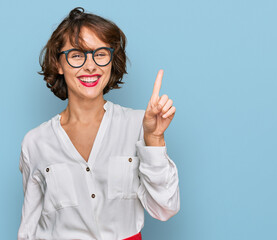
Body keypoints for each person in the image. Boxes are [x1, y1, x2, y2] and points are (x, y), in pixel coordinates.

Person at [18, 7, 180, 240]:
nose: (90, 65)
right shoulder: (35, 142)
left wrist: (154, 139)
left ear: (112, 61)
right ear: (58, 65)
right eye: (76, 55)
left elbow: (165, 208)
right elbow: (29, 229)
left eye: (100, 53)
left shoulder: (139, 125)